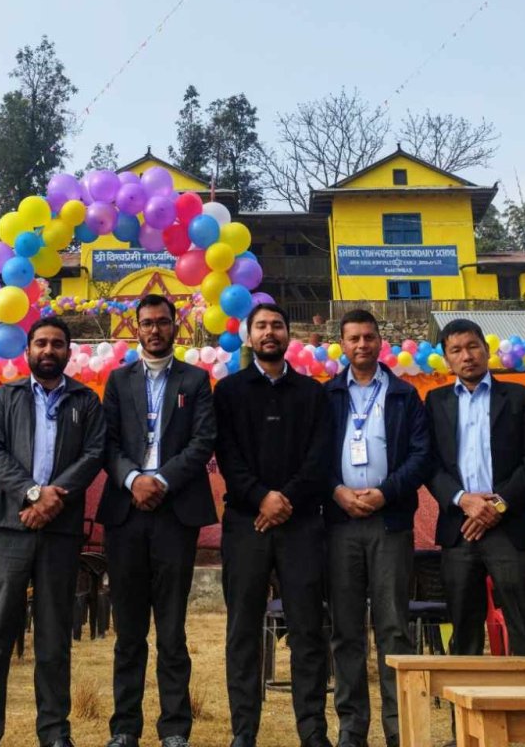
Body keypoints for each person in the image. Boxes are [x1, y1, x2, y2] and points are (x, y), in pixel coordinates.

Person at [0, 316, 106, 747]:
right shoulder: (4, 397)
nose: (49, 350)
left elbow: (94, 454)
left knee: (54, 635)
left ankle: (54, 732)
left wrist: (53, 499)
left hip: (60, 531)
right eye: (41, 343)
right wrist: (32, 494)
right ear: (27, 350)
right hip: (9, 529)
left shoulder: (86, 401)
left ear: (69, 351)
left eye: (57, 344)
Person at [97, 293, 217, 747]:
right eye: (146, 323)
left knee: (171, 630)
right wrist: (133, 480)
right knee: (128, 632)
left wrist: (160, 481)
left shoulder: (196, 380)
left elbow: (203, 441)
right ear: (137, 328)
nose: (154, 329)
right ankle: (125, 728)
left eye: (162, 322)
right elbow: (106, 442)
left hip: (174, 513)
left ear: (175, 326)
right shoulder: (117, 380)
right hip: (126, 513)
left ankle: (175, 729)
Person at [213, 301, 335, 747]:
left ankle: (313, 730)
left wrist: (285, 499)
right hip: (246, 523)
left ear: (288, 335)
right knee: (243, 630)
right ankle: (244, 731)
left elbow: (320, 456)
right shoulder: (228, 392)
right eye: (261, 326)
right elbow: (227, 455)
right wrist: (261, 497)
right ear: (249, 336)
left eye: (277, 326)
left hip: (301, 525)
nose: (270, 332)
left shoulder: (313, 393)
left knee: (307, 629)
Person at [323, 310, 430, 747]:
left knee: (393, 628)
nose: (362, 345)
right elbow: (313, 453)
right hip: (340, 523)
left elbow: (421, 455)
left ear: (380, 341)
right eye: (354, 338)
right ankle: (352, 729)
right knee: (346, 629)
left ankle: (399, 729)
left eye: (369, 337)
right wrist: (336, 491)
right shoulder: (328, 395)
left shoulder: (404, 395)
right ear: (343, 344)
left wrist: (386, 493)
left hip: (390, 521)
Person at [425, 317, 525, 657]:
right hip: (459, 528)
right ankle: (467, 694)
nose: (466, 356)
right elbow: (428, 463)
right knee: (463, 629)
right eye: (456, 350)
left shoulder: (518, 397)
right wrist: (463, 500)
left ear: (486, 349)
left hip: (509, 527)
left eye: (472, 347)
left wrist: (496, 506)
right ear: (447, 360)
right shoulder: (436, 402)